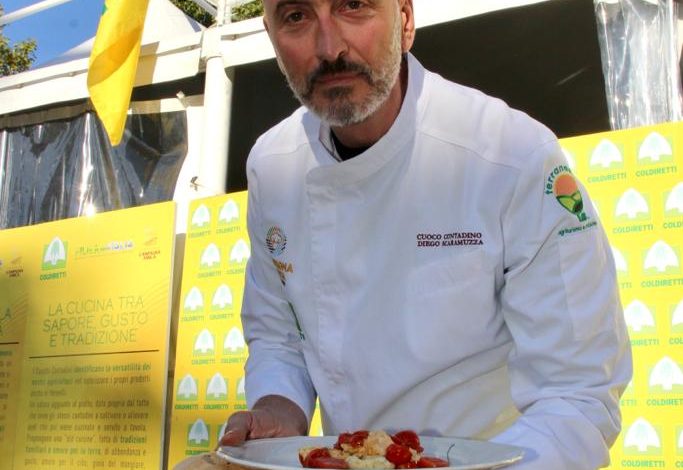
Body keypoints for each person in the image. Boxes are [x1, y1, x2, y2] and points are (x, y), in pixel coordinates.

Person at [219, 0, 633, 468]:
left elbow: (576, 390)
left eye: (353, 5)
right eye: (296, 16)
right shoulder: (273, 165)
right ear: (272, 38)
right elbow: (278, 335)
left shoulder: (511, 155)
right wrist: (277, 408)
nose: (330, 48)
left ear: (405, 19)